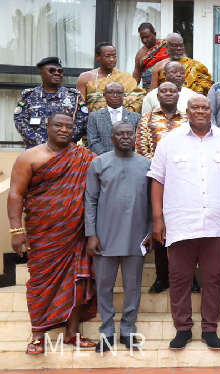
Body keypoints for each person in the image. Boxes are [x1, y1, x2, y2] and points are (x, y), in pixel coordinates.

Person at [147, 95, 220, 350]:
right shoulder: (169, 141)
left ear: (211, 111)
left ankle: (210, 328)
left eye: (205, 107)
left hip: (216, 223)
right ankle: (183, 329)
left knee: (214, 278)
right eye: (195, 107)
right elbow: (157, 180)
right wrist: (158, 219)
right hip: (180, 223)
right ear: (185, 111)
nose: (200, 111)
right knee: (179, 279)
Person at [7, 113, 97, 355]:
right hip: (42, 233)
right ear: (47, 127)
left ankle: (72, 334)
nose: (64, 130)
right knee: (39, 283)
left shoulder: (84, 157)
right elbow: (15, 193)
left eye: (69, 126)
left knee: (77, 281)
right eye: (59, 125)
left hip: (76, 234)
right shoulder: (30, 157)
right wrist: (17, 231)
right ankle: (37, 335)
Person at [85, 122, 152, 353]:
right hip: (104, 237)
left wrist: (151, 230)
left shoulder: (147, 164)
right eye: (119, 134)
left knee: (133, 287)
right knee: (104, 287)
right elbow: (90, 202)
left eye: (129, 134)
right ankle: (106, 333)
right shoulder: (98, 163)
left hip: (137, 236)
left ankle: (127, 331)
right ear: (112, 138)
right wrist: (91, 234)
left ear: (135, 137)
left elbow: (154, 202)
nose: (125, 137)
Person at [135, 81, 190, 294]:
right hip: (156, 180)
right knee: (158, 227)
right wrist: (161, 171)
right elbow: (142, 149)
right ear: (157, 96)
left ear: (178, 95)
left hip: (184, 181)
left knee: (184, 229)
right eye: (163, 91)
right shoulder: (147, 119)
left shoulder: (187, 120)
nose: (168, 94)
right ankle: (162, 276)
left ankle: (188, 278)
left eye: (172, 91)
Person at [14, 57, 87, 149]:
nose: (57, 73)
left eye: (60, 71)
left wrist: (62, 142)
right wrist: (41, 142)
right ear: (41, 73)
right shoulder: (29, 96)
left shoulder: (74, 96)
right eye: (51, 70)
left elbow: (82, 122)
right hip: (36, 150)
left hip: (65, 150)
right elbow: (20, 121)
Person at [77, 42, 145, 113]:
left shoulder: (125, 77)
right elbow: (81, 103)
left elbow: (138, 98)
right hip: (94, 120)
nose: (112, 59)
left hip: (121, 120)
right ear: (97, 57)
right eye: (107, 56)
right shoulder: (85, 77)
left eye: (114, 56)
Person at [87, 82, 141, 155]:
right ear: (104, 95)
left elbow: (138, 141)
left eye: (119, 93)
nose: (115, 95)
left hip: (129, 160)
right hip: (103, 161)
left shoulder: (136, 117)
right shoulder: (94, 117)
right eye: (110, 92)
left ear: (124, 95)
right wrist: (106, 158)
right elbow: (92, 140)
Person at [133, 22, 169, 91]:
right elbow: (136, 75)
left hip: (167, 89)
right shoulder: (140, 54)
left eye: (147, 37)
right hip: (149, 91)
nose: (145, 40)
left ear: (154, 34)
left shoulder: (166, 45)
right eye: (142, 38)